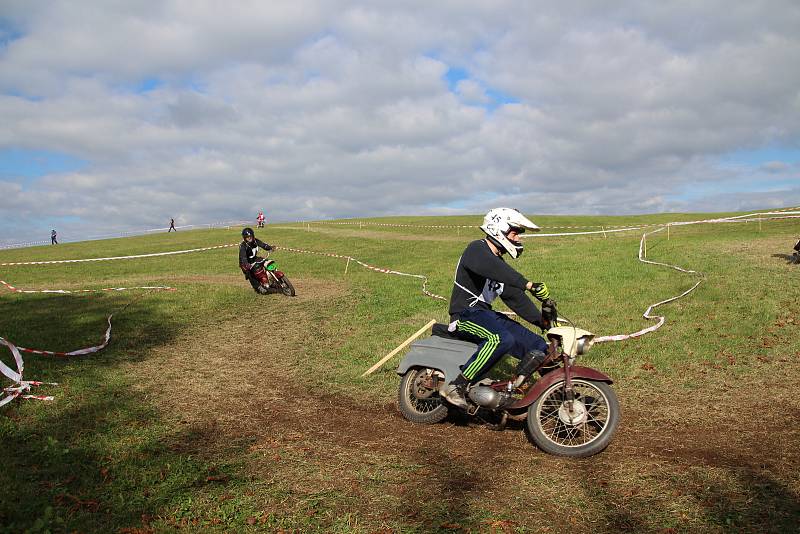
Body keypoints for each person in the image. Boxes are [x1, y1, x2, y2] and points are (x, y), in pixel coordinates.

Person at [441, 207, 558, 409]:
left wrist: (546, 323)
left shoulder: (498, 266)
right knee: (500, 338)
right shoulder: (476, 250)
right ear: (499, 230)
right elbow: (495, 268)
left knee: (539, 346)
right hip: (465, 315)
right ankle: (456, 386)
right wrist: (528, 284)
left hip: (486, 315)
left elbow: (516, 299)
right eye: (515, 233)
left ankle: (549, 396)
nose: (519, 239)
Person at [239, 227, 275, 294]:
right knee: (249, 273)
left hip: (254, 258)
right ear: (244, 238)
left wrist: (269, 247)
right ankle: (258, 287)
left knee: (268, 262)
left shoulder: (255, 241)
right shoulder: (243, 246)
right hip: (245, 263)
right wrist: (246, 264)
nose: (249, 238)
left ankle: (272, 279)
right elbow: (243, 257)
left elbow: (263, 245)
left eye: (251, 236)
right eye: (247, 237)